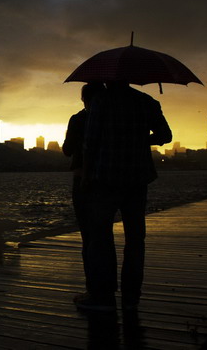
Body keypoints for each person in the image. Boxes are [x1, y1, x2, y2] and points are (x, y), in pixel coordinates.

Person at [75, 81, 172, 312]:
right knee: (136, 240)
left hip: (105, 179)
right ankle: (131, 297)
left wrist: (85, 176)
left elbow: (91, 142)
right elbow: (165, 136)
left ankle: (103, 296)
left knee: (101, 239)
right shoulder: (147, 101)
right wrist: (139, 137)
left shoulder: (101, 101)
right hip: (137, 179)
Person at [62, 83, 105, 295]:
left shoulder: (78, 119)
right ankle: (106, 287)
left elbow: (67, 150)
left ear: (83, 99)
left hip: (82, 179)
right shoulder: (111, 118)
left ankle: (93, 289)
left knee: (88, 236)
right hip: (107, 180)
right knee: (103, 234)